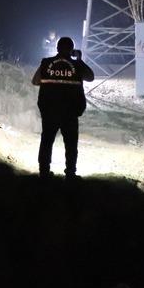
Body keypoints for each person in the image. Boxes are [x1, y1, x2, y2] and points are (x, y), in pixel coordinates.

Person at [31, 36, 94, 180]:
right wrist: (79, 60)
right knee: (71, 144)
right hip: (70, 111)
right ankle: (70, 174)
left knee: (47, 141)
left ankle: (44, 173)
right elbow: (90, 77)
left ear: (57, 48)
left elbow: (35, 81)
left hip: (49, 110)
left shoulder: (46, 63)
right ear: (72, 50)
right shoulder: (77, 65)